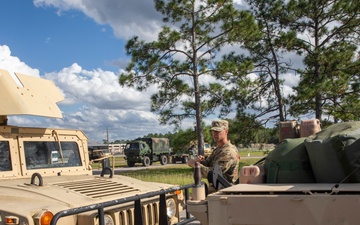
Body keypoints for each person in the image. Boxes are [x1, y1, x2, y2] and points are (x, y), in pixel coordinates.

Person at [188, 119, 240, 188]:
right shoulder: (218, 149)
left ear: (226, 131)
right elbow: (209, 163)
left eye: (218, 131)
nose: (214, 134)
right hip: (217, 189)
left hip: (227, 191)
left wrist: (196, 165)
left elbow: (214, 173)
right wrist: (199, 161)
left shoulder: (229, 152)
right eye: (213, 131)